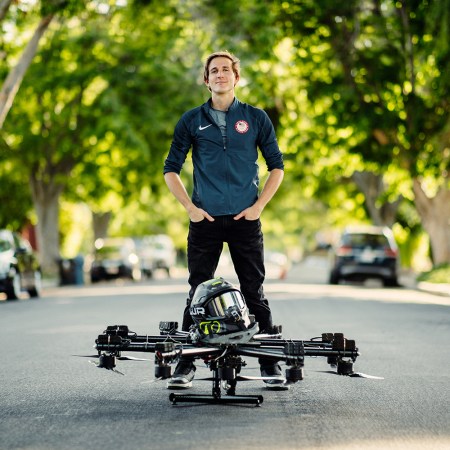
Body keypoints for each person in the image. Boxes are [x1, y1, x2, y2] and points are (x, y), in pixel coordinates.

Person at [163, 51, 286, 390]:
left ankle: (269, 364)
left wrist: (259, 206)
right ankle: (185, 365)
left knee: (254, 292)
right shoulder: (191, 120)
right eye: (213, 71)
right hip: (205, 221)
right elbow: (170, 169)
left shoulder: (256, 118)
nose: (220, 75)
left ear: (236, 77)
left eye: (225, 70)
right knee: (198, 291)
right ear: (206, 80)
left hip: (246, 219)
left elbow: (277, 166)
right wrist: (190, 208)